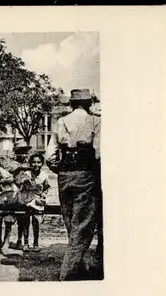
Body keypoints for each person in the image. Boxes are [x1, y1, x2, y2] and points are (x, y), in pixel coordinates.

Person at [45, 88, 102, 281]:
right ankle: (67, 273)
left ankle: (82, 267)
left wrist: (60, 171)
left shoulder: (61, 121)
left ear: (71, 104)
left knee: (70, 222)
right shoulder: (96, 121)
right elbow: (99, 153)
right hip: (86, 173)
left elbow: (49, 156)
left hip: (64, 174)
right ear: (89, 103)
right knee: (83, 224)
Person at [16, 153, 51, 252]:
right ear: (30, 163)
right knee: (25, 221)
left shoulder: (44, 175)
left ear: (42, 164)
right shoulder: (27, 174)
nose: (36, 164)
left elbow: (46, 187)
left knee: (36, 222)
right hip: (27, 199)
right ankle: (26, 243)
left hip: (37, 200)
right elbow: (19, 186)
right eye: (34, 162)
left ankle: (36, 244)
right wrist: (24, 181)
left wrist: (44, 195)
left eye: (38, 162)